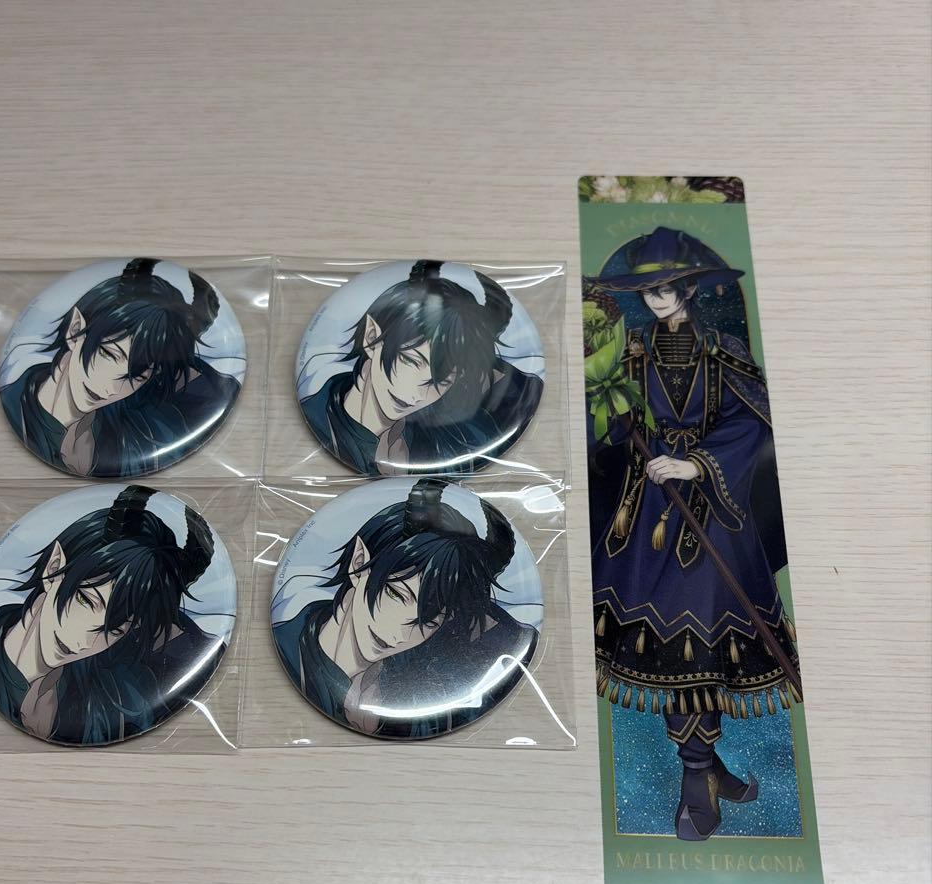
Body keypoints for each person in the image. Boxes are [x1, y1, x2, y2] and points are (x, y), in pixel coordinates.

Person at [587, 227, 800, 841]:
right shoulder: (629, 353)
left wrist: (696, 464)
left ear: (689, 288)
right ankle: (704, 771)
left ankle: (698, 777)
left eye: (668, 286)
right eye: (647, 289)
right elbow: (612, 427)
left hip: (711, 513)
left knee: (698, 644)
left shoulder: (723, 350)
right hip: (644, 517)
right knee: (668, 649)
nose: (657, 297)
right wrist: (615, 416)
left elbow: (752, 423)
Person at [273, 478, 538, 737]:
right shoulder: (290, 645)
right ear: (359, 562)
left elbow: (512, 639)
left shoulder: (424, 676)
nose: (399, 634)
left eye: (429, 621)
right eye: (396, 594)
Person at [0, 486, 220, 744]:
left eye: (116, 629)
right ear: (54, 567)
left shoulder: (117, 698)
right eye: (86, 601)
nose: (83, 641)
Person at [0, 259, 241, 476]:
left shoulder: (142, 431)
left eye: (137, 376)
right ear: (75, 330)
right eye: (108, 354)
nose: (111, 388)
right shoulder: (16, 406)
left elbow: (214, 391)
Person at [300, 260, 542, 475]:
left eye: (442, 381)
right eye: (411, 361)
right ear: (372, 336)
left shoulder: (454, 443)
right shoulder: (320, 417)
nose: (416, 393)